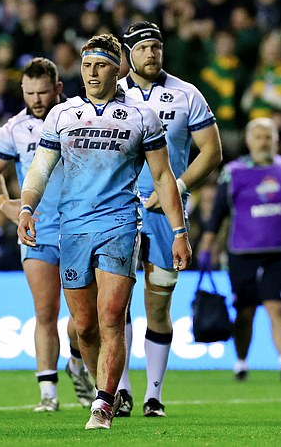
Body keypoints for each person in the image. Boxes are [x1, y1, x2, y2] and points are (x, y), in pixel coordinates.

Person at [17, 34, 191, 430]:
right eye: (86, 65)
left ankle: (103, 403)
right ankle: (98, 382)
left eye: (100, 65)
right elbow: (40, 169)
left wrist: (179, 230)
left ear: (118, 69)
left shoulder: (140, 118)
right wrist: (27, 207)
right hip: (72, 228)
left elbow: (163, 176)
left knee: (111, 316)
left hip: (119, 224)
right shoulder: (62, 115)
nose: (92, 72)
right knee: (85, 327)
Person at [116, 21, 222, 418]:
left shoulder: (186, 94)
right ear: (128, 54)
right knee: (116, 305)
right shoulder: (112, 94)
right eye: (142, 47)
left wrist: (174, 187)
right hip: (119, 211)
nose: (151, 53)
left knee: (158, 305)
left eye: (156, 46)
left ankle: (154, 394)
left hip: (167, 213)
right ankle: (121, 389)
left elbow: (211, 152)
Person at [0, 57, 95, 412]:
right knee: (46, 311)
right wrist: (4, 203)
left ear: (58, 88)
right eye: (30, 93)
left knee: (84, 319)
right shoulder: (15, 128)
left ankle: (76, 361)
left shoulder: (80, 118)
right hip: (38, 231)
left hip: (80, 228)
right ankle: (48, 392)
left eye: (43, 92)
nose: (37, 99)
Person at [198, 117, 281, 382]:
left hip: (280, 251)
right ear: (248, 141)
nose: (263, 142)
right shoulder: (233, 172)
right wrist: (206, 247)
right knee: (245, 310)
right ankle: (241, 362)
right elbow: (218, 215)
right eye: (258, 137)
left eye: (268, 137)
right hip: (242, 251)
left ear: (276, 141)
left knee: (277, 306)